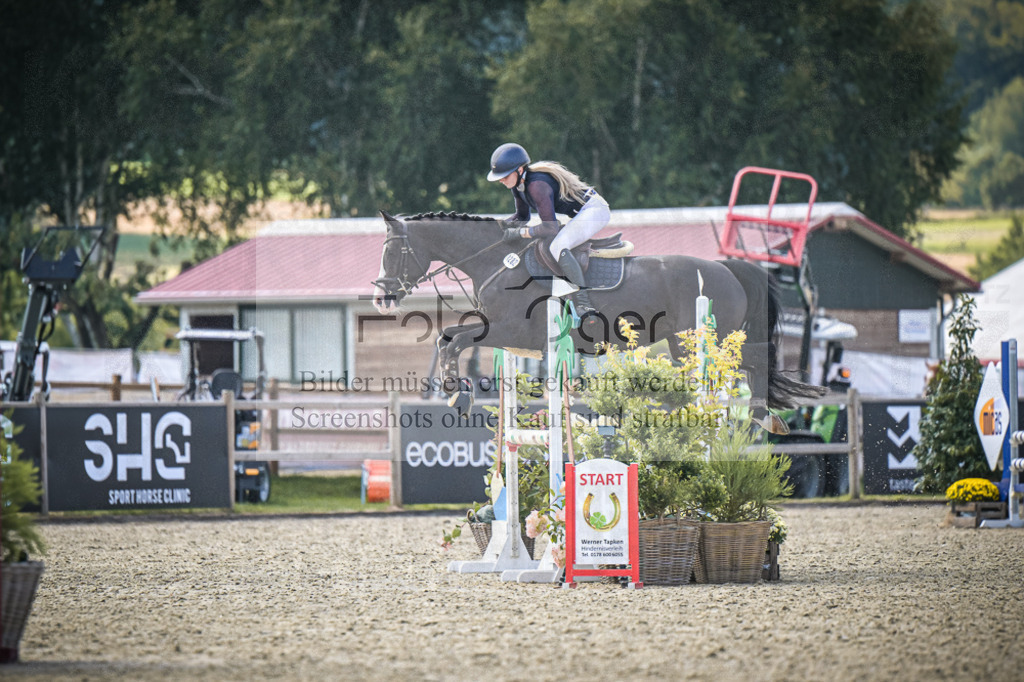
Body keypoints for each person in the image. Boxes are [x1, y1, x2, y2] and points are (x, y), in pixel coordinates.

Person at [487, 142, 610, 325]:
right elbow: (522, 216)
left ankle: (584, 304)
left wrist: (520, 233)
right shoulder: (519, 186)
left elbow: (550, 228)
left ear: (520, 170)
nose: (501, 180)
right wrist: (497, 228)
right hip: (580, 213)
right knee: (555, 243)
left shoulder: (537, 186)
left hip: (595, 211)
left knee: (557, 246)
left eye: (504, 176)